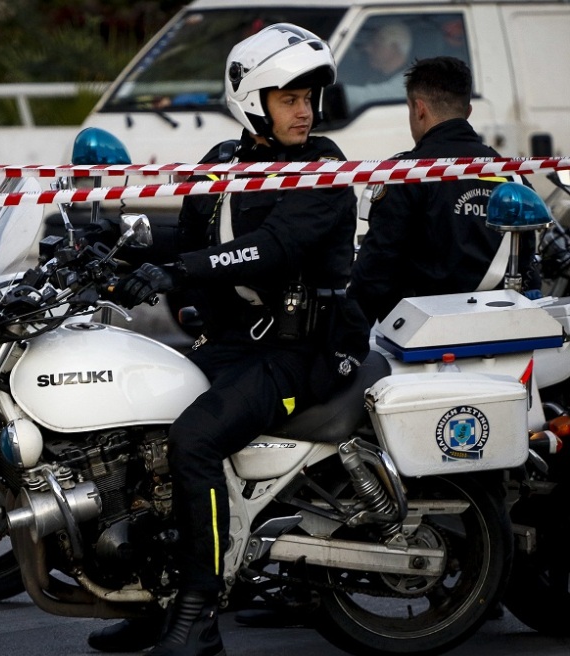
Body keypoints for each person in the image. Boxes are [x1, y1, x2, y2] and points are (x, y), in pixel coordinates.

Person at [88, 24, 370, 655]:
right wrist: (109, 250)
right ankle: (154, 599)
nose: (304, 110)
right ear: (254, 101)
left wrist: (180, 271)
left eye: (308, 97)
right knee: (137, 427)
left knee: (194, 439)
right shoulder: (222, 162)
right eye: (289, 97)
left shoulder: (321, 172)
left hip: (299, 354)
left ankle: (198, 613)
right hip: (232, 345)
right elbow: (192, 243)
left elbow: (268, 252)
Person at [350, 56, 539, 325]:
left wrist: (345, 342)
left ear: (418, 109)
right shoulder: (512, 176)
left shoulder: (407, 174)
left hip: (422, 338)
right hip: (504, 331)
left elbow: (377, 267)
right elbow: (527, 262)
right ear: (468, 112)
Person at [343, 21, 412, 113]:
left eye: (375, 45)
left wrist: (330, 92)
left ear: (394, 48)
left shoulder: (410, 81)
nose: (368, 49)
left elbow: (368, 98)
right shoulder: (374, 74)